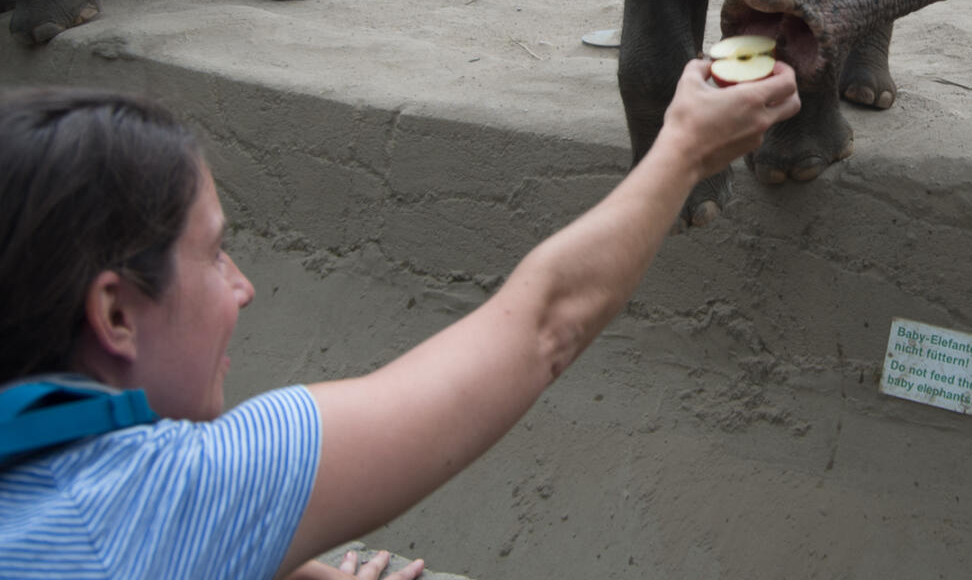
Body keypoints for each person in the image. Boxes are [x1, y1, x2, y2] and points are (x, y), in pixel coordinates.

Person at [0, 59, 800, 579]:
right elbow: (542, 326)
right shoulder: (141, 502)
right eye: (213, 256)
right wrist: (686, 149)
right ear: (114, 312)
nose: (242, 287)